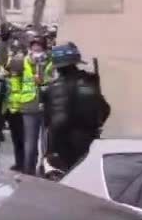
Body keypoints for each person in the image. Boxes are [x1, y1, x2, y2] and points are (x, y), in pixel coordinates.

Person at [42, 43, 110, 173]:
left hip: (62, 143)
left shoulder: (53, 87)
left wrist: (50, 150)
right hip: (88, 138)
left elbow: (53, 121)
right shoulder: (90, 82)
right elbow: (105, 109)